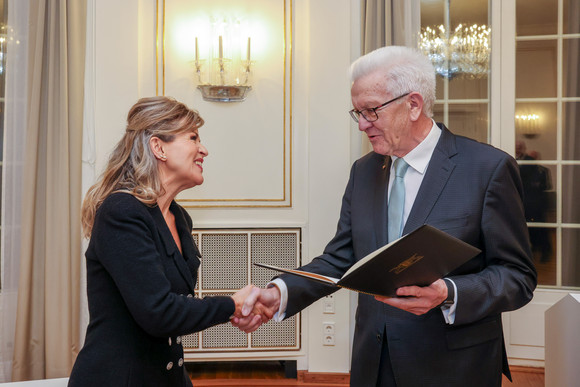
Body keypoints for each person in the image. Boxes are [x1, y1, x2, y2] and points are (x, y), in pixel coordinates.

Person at [234, 46, 537, 386]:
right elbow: (341, 258)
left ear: (413, 104)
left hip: (453, 366)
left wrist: (448, 292)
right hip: (373, 361)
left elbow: (517, 276)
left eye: (371, 111)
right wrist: (279, 293)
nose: (362, 124)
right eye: (358, 112)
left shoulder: (487, 168)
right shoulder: (364, 171)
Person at [68, 96, 263, 387]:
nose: (204, 149)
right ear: (158, 147)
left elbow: (176, 306)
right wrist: (231, 306)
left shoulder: (179, 217)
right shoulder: (121, 212)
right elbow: (158, 312)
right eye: (193, 137)